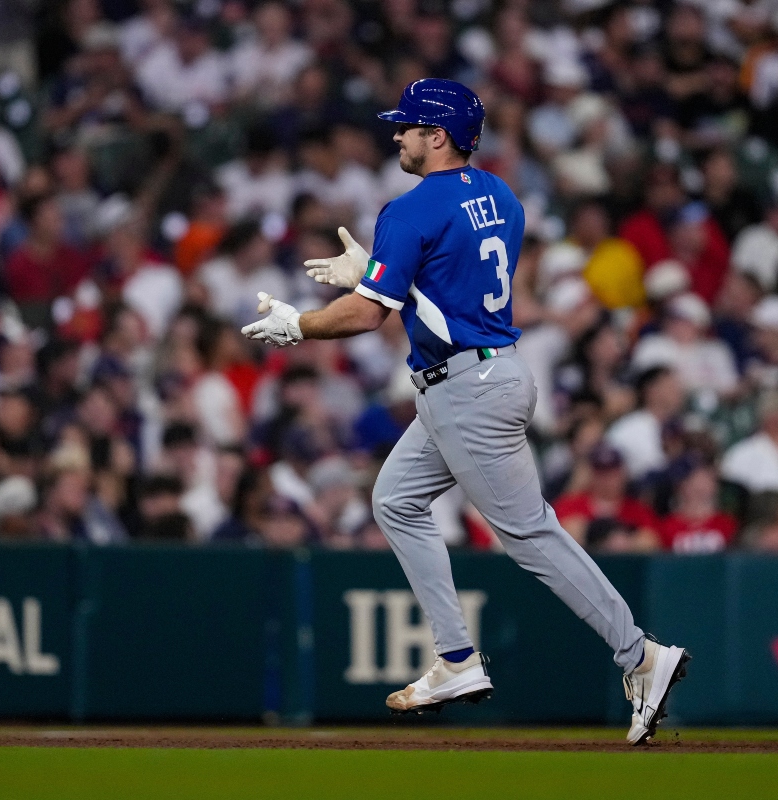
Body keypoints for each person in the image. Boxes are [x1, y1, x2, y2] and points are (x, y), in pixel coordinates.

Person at [241, 79, 687, 745]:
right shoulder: (501, 194)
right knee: (394, 499)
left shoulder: (408, 210)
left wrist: (299, 325)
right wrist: (378, 273)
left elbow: (369, 315)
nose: (397, 135)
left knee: (530, 535)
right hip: (490, 371)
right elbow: (449, 293)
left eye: (408, 127)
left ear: (438, 136)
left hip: (465, 388)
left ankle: (640, 656)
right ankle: (455, 659)